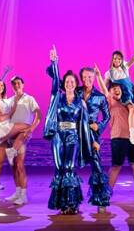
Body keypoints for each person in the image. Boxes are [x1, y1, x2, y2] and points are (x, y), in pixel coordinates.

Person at [44, 46, 95, 214]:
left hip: (73, 136)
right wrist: (54, 62)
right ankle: (61, 204)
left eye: (72, 82)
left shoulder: (81, 102)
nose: (69, 84)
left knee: (69, 167)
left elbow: (85, 125)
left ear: (76, 84)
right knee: (59, 168)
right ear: (64, 84)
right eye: (67, 82)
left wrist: (92, 142)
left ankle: (71, 204)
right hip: (58, 136)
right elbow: (54, 80)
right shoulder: (57, 97)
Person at [95, 63, 134, 202]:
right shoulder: (110, 101)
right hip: (118, 138)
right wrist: (98, 76)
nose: (116, 90)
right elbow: (103, 89)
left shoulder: (129, 101)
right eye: (113, 88)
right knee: (116, 166)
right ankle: (107, 193)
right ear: (110, 92)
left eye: (118, 88)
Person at [76, 66, 111, 213]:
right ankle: (71, 201)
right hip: (76, 132)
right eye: (84, 77)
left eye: (90, 77)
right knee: (70, 165)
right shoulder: (76, 91)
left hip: (92, 133)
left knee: (96, 165)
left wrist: (99, 125)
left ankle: (101, 199)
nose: (87, 80)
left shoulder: (100, 96)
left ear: (94, 77)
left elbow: (107, 116)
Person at [103, 37, 134, 149]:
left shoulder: (124, 67)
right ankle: (132, 134)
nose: (117, 61)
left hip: (131, 91)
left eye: (119, 59)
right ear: (112, 59)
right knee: (132, 109)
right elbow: (103, 86)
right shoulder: (109, 73)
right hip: (123, 94)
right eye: (115, 58)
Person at [3, 75, 41, 205]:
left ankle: (24, 195)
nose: (16, 85)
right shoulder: (9, 100)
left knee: (19, 164)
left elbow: (38, 114)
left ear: (23, 84)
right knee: (13, 166)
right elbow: (5, 117)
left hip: (22, 135)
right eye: (14, 83)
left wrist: (31, 128)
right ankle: (17, 192)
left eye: (18, 83)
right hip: (11, 135)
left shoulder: (29, 99)